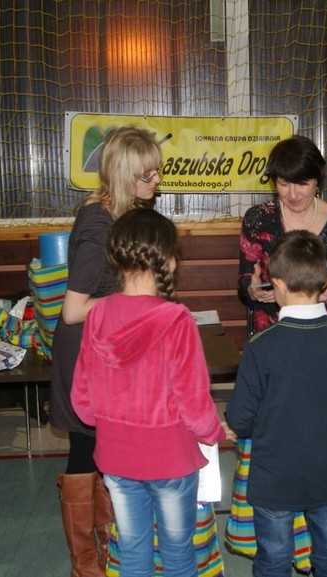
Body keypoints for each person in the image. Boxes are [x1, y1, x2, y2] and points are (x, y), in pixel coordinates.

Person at [71, 207, 234, 577]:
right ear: (168, 259)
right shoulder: (177, 319)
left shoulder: (97, 315)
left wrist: (113, 422)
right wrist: (213, 431)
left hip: (116, 457)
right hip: (170, 460)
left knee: (132, 551)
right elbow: (193, 401)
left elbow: (82, 400)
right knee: (178, 554)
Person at [46, 125, 162, 576]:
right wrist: (133, 299)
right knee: (85, 450)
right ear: (124, 173)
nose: (156, 182)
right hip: (85, 356)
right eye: (147, 175)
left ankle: (109, 544)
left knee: (103, 450)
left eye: (157, 173)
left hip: (105, 350)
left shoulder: (121, 215)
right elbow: (73, 309)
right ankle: (85, 562)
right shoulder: (98, 224)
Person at [226, 230, 327, 577]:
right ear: (325, 282)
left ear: (276, 283)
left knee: (273, 560)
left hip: (274, 479)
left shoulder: (261, 345)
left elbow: (240, 419)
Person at [238, 135, 327, 334]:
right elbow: (245, 278)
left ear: (317, 180)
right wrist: (253, 288)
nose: (293, 194)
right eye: (284, 184)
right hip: (272, 329)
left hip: (325, 329)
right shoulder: (258, 219)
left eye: (302, 184)